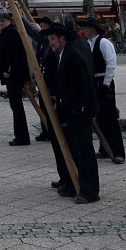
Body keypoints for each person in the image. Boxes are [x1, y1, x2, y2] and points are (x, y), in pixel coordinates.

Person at [42, 22, 100, 204]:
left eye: (52, 39)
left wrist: (75, 109)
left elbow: (80, 87)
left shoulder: (72, 55)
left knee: (84, 151)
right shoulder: (66, 53)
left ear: (62, 38)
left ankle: (90, 192)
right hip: (74, 110)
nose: (50, 43)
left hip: (80, 111)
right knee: (76, 150)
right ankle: (75, 185)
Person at [80, 17, 125, 163]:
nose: (84, 31)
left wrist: (105, 84)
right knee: (100, 117)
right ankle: (104, 149)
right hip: (94, 81)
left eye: (85, 28)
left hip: (103, 81)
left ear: (92, 29)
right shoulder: (88, 44)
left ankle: (119, 152)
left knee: (110, 117)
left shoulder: (103, 42)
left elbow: (111, 64)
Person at [0, 11, 30, 146]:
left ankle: (22, 137)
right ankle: (21, 135)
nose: (1, 23)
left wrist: (8, 70)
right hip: (14, 74)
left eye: (3, 21)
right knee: (15, 106)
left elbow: (13, 54)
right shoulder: (8, 33)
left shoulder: (11, 33)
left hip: (14, 75)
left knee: (17, 107)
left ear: (9, 21)